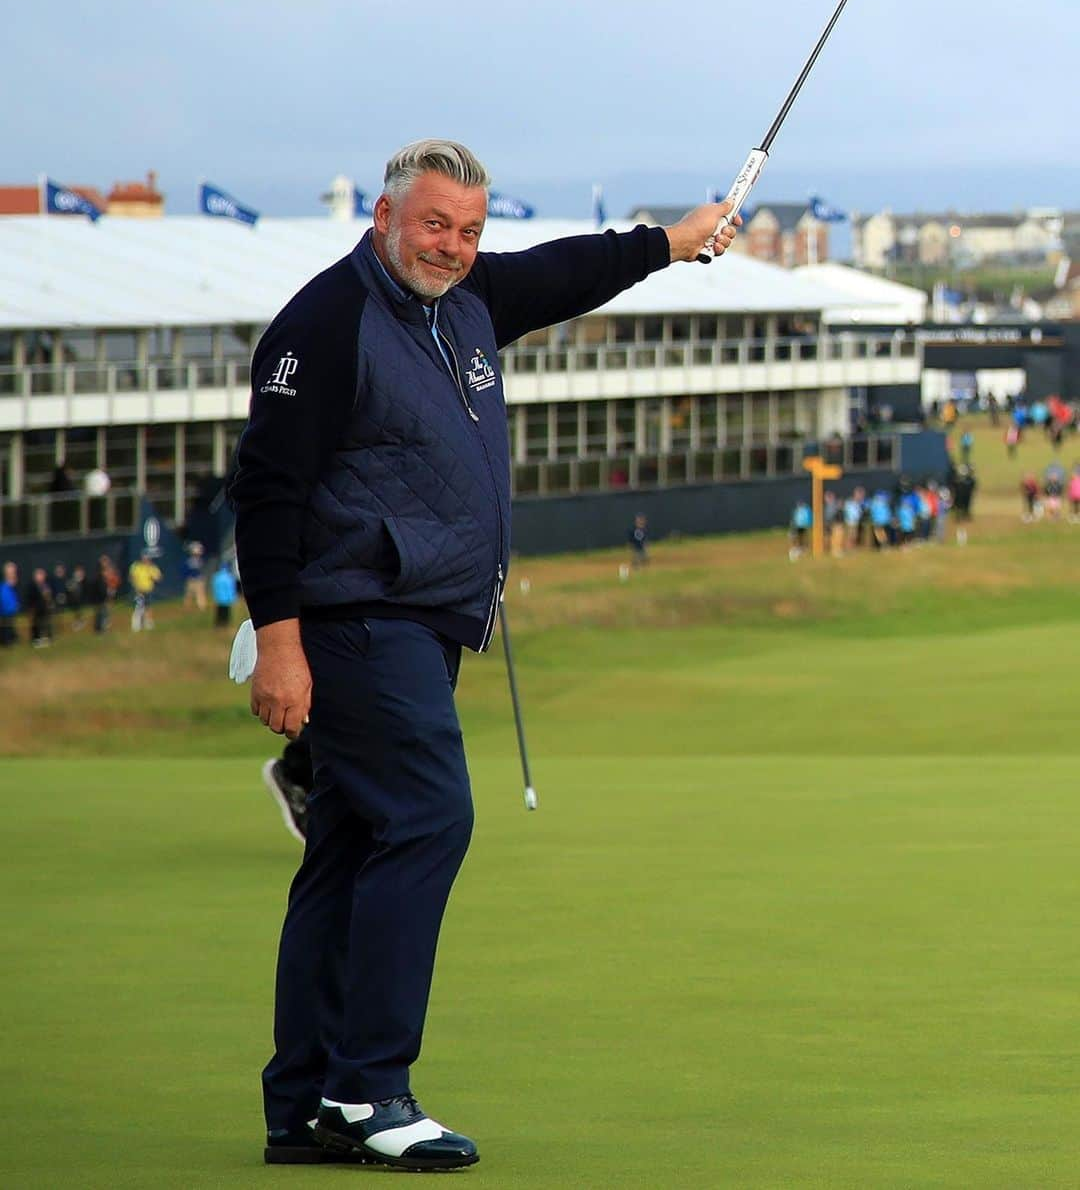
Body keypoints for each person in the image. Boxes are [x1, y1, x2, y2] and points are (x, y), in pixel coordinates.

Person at [228, 138, 740, 1170]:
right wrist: (279, 643)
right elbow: (268, 490)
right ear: (383, 217)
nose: (452, 247)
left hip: (420, 619)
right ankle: (373, 1092)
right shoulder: (328, 321)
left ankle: (310, 1102)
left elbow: (565, 272)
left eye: (467, 230)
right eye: (434, 225)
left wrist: (673, 243)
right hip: (359, 617)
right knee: (428, 816)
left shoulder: (464, 300)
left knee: (351, 844)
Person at [128, 553, 162, 631]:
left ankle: (148, 623)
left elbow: (158, 577)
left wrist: (154, 578)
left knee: (148, 607)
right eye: (144, 559)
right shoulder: (136, 567)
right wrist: (135, 586)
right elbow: (131, 577)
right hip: (139, 591)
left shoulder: (152, 568)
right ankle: (136, 625)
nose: (146, 560)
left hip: (148, 590)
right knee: (138, 607)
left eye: (147, 559)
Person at [26, 568, 54, 648]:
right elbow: (29, 598)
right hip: (35, 610)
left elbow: (49, 597)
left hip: (45, 609)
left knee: (46, 624)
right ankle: (36, 640)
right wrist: (30, 609)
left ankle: (47, 638)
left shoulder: (46, 585)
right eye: (39, 575)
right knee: (35, 625)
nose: (41, 577)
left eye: (42, 575)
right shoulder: (31, 586)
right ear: (35, 576)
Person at [211, 560, 237, 628]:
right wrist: (233, 598)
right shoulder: (229, 577)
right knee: (226, 614)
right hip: (226, 600)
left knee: (219, 613)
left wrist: (215, 597)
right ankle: (225, 625)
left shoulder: (216, 576)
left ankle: (218, 625)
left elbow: (214, 588)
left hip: (219, 599)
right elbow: (231, 589)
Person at [182, 541, 208, 611]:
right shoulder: (189, 561)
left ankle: (202, 607)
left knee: (200, 594)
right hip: (191, 580)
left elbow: (201, 569)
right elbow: (186, 570)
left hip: (199, 579)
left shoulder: (200, 560)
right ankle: (186, 607)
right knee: (188, 594)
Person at [0, 561, 20, 647]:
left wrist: (15, 605)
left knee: (10, 625)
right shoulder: (4, 587)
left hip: (10, 610)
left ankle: (11, 639)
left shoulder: (11, 587)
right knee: (6, 626)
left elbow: (13, 598)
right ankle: (6, 641)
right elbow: (4, 600)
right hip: (5, 611)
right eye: (11, 571)